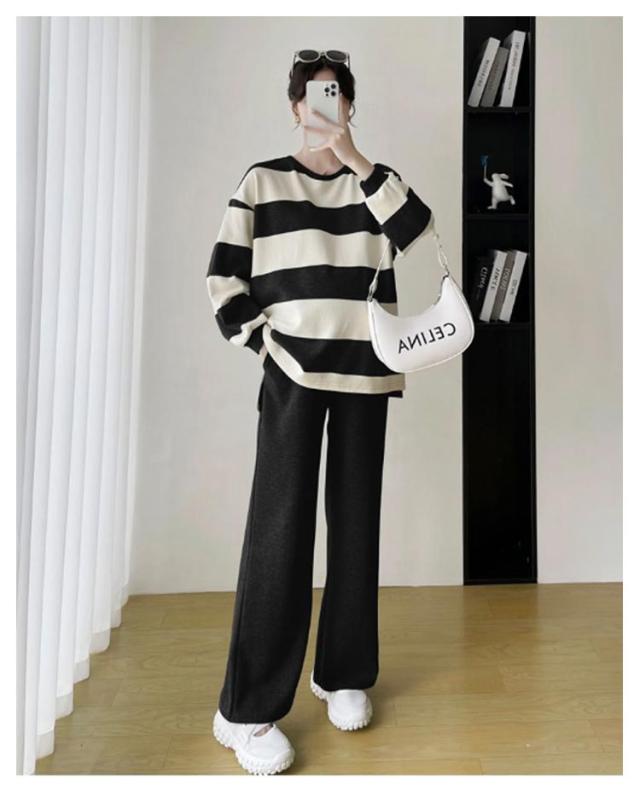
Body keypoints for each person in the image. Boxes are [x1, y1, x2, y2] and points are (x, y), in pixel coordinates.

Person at [205, 49, 434, 775]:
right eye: (314, 95)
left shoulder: (376, 182)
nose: (324, 105)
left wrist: (356, 159)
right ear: (295, 107)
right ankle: (245, 710)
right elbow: (223, 277)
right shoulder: (262, 181)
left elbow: (417, 232)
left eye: (336, 94)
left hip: (367, 371)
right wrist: (263, 343)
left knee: (357, 524)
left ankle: (343, 673)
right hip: (294, 373)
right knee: (280, 530)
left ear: (349, 105)